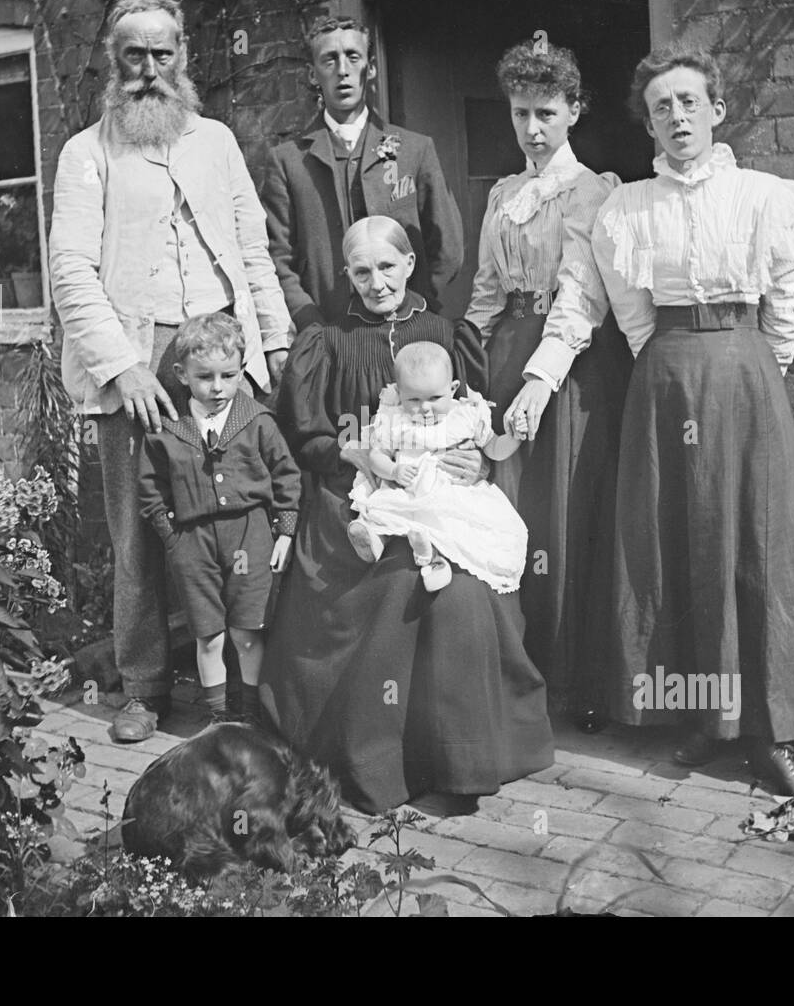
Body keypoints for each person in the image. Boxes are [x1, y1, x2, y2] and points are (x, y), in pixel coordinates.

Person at [48, 0, 292, 743]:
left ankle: (246, 688)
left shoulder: (216, 141)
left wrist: (274, 341)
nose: (149, 71)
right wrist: (123, 368)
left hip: (223, 350)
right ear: (111, 60)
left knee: (236, 518)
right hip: (139, 355)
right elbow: (70, 271)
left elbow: (252, 248)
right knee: (140, 531)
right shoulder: (87, 155)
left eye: (163, 54)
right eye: (134, 55)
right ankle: (145, 686)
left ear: (182, 56)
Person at [595, 43, 794, 801]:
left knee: (761, 541)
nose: (676, 115)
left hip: (744, 366)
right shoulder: (627, 207)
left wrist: (758, 361)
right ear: (649, 126)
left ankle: (773, 733)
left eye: (688, 101)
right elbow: (629, 305)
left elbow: (793, 285)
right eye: (661, 107)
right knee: (678, 543)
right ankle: (700, 718)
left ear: (716, 110)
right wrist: (668, 357)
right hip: (665, 373)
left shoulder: (766, 196)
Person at [260, 216, 553, 814]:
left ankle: (461, 761)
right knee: (395, 587)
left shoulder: (446, 334)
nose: (376, 282)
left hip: (447, 498)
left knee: (463, 597)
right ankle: (385, 761)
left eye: (387, 267)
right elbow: (307, 437)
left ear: (410, 264)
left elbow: (475, 423)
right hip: (355, 497)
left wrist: (481, 466)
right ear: (346, 274)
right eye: (361, 271)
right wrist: (355, 452)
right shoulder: (328, 340)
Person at [463, 42, 633, 730]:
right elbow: (483, 292)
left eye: (547, 113)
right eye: (521, 113)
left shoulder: (592, 191)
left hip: (568, 367)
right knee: (503, 512)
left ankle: (568, 683)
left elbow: (578, 297)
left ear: (574, 111)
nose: (533, 129)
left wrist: (539, 383)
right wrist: (460, 369)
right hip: (505, 356)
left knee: (559, 518)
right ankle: (509, 673)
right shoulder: (503, 195)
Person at [135, 313, 301, 727]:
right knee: (209, 634)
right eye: (204, 376)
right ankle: (219, 721)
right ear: (181, 374)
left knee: (247, 631)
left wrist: (284, 532)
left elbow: (286, 477)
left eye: (228, 375)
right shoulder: (168, 428)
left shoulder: (257, 420)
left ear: (242, 371)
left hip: (252, 535)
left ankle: (251, 718)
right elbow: (150, 489)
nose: (217, 387)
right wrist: (172, 538)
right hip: (194, 543)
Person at [261, 17, 465, 329]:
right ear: (312, 74)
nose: (342, 70)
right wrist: (310, 322)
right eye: (329, 59)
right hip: (327, 334)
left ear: (370, 69)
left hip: (406, 331)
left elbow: (447, 248)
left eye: (353, 57)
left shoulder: (414, 150)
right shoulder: (288, 162)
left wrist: (414, 304)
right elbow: (279, 259)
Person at [346, 340, 527, 594]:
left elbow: (494, 449)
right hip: (406, 490)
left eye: (434, 397)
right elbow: (377, 456)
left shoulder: (466, 415)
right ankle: (374, 540)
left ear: (452, 389)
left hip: (449, 491)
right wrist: (393, 471)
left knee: (451, 526)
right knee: (382, 512)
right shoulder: (395, 418)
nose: (425, 408)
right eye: (414, 399)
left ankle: (434, 563)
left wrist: (514, 437)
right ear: (399, 393)